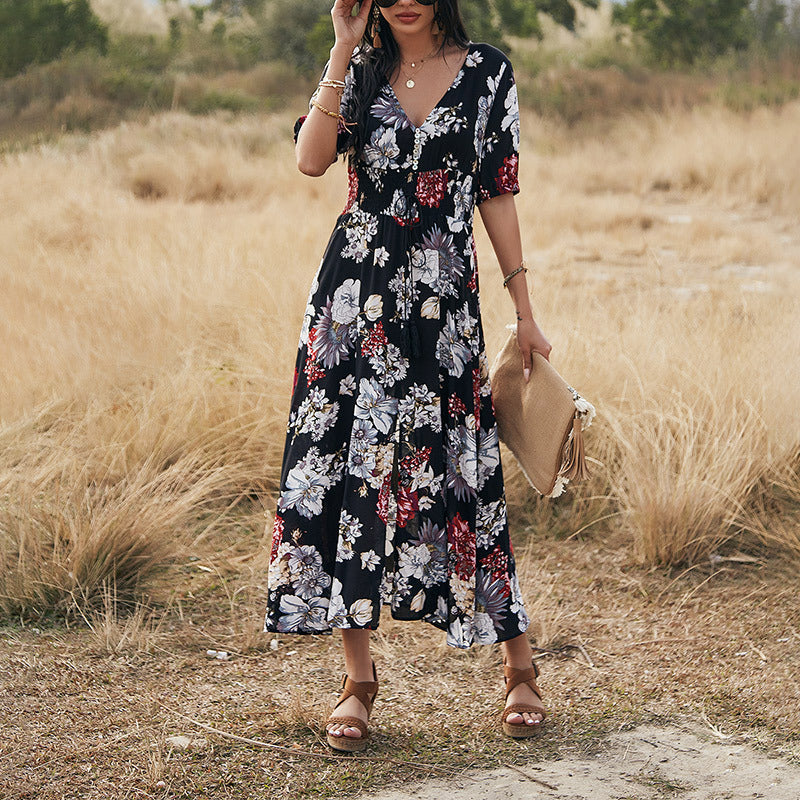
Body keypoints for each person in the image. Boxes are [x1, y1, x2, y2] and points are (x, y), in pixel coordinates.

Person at [264, 0, 552, 751]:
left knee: (465, 470)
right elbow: (311, 159)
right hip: (352, 305)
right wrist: (341, 49)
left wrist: (524, 308)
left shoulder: (487, 72)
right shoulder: (358, 71)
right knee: (346, 474)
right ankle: (358, 682)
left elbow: (497, 189)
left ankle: (519, 667)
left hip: (443, 306)